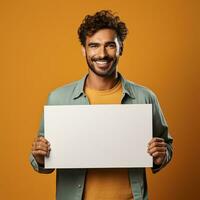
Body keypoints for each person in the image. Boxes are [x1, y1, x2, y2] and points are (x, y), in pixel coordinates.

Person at [30, 10, 173, 200]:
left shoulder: (144, 97)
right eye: (94, 46)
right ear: (84, 50)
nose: (102, 54)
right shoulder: (58, 99)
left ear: (121, 48)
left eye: (110, 46)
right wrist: (40, 157)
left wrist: (160, 155)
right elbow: (40, 159)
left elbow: (166, 146)